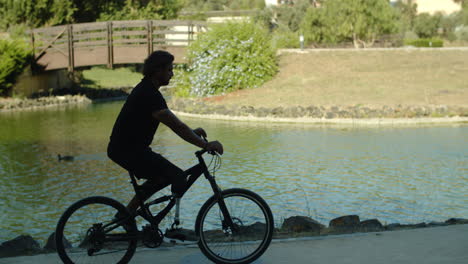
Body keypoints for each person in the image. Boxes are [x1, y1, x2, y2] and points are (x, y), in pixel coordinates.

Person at [107, 50, 224, 215]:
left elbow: (177, 126)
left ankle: (128, 213)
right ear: (157, 71)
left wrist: (193, 132)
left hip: (128, 149)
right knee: (178, 176)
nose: (172, 74)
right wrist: (205, 144)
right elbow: (177, 126)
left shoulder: (147, 89)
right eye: (169, 70)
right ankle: (132, 213)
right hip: (128, 151)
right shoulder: (150, 94)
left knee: (162, 177)